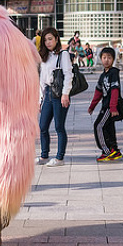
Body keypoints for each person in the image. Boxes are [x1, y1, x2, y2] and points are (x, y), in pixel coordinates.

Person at [35, 27, 72, 167]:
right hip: (48, 94)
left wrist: (65, 94)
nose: (48, 42)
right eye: (45, 40)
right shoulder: (44, 57)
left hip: (60, 94)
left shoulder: (63, 55)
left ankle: (59, 158)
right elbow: (41, 80)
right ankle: (44, 155)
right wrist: (40, 99)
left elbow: (69, 75)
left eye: (50, 39)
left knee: (59, 127)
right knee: (42, 126)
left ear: (57, 39)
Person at [88, 47, 123, 161]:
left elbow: (115, 90)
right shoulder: (103, 75)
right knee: (108, 127)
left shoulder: (113, 73)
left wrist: (113, 107)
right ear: (100, 59)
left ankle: (106, 151)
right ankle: (114, 150)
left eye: (109, 57)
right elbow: (98, 92)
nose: (106, 60)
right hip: (105, 105)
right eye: (104, 58)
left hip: (110, 106)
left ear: (113, 59)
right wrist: (92, 106)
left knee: (98, 126)